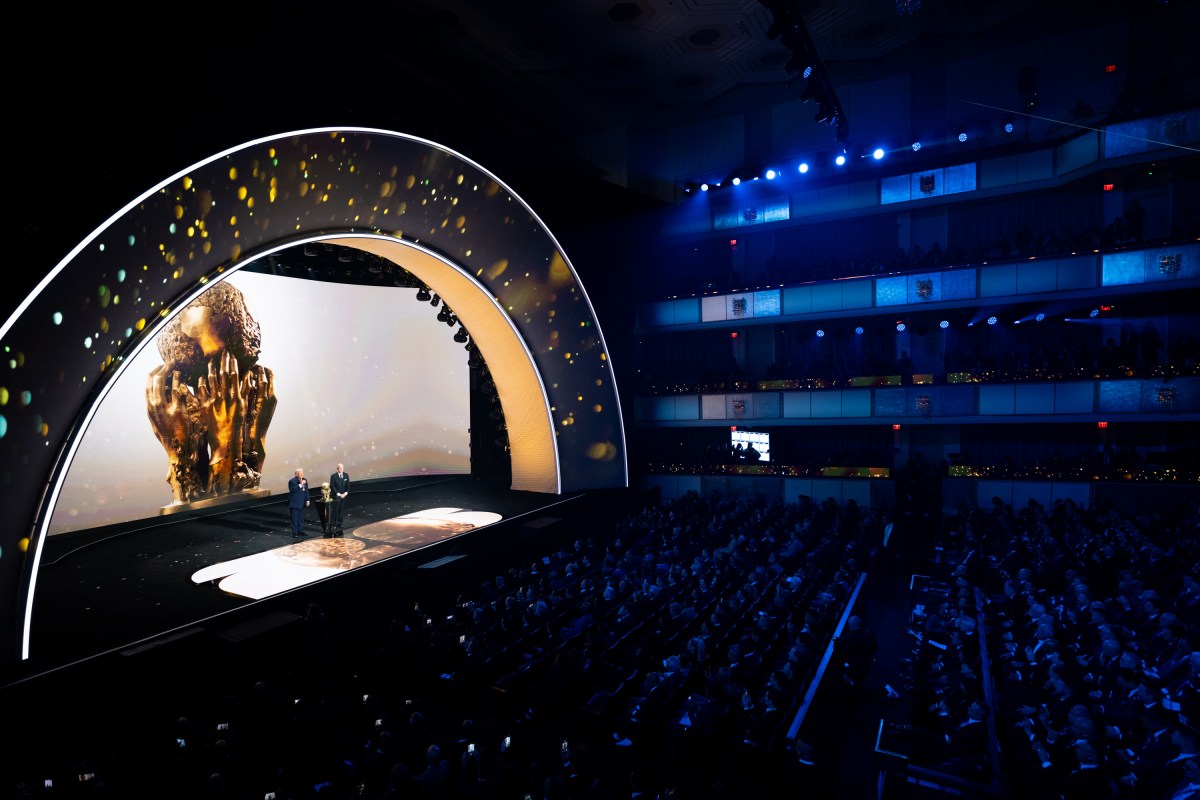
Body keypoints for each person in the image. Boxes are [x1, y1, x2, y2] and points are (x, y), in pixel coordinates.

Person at [288, 468, 309, 537]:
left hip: (302, 503)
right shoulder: (292, 481)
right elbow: (292, 490)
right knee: (295, 519)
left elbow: (306, 491)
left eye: (302, 473)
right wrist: (300, 485)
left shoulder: (304, 480)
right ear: (296, 474)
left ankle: (300, 531)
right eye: (300, 473)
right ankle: (295, 533)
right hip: (295, 503)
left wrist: (307, 500)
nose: (302, 474)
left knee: (301, 519)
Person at [330, 463, 350, 532]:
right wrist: (338, 494)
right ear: (337, 469)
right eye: (340, 468)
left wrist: (345, 493)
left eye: (342, 468)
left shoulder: (346, 475)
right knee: (336, 510)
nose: (341, 469)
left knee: (341, 509)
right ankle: (334, 524)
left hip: (344, 496)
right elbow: (332, 486)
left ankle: (340, 523)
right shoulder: (333, 476)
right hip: (336, 496)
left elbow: (348, 486)